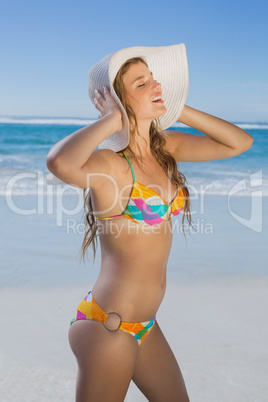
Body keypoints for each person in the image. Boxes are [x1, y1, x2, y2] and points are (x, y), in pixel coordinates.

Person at [46, 43, 253, 402]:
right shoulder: (111, 165)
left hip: (145, 325)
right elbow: (59, 163)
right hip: (107, 326)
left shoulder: (166, 148)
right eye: (141, 84)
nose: (155, 86)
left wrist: (177, 107)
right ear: (118, 101)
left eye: (154, 80)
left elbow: (239, 143)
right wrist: (112, 120)